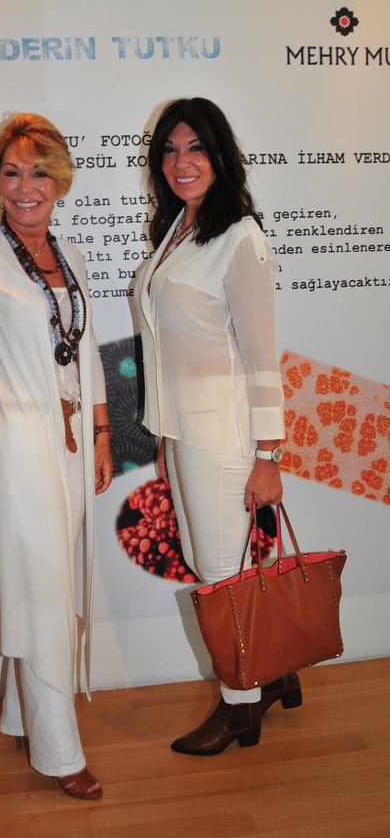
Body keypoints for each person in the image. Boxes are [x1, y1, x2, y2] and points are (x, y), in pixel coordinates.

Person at [0, 113, 113, 798]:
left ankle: (21, 714)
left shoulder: (70, 256)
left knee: (56, 582)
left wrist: (101, 433)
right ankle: (60, 751)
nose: (24, 186)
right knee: (41, 592)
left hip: (70, 445)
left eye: (38, 172)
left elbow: (87, 349)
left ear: (59, 180)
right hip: (11, 446)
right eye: (11, 172)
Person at [133, 98, 301, 755]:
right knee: (229, 569)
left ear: (220, 155)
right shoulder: (178, 228)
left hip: (225, 437)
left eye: (196, 148)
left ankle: (239, 707)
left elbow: (262, 359)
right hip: (183, 433)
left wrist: (268, 456)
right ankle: (274, 671)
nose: (182, 162)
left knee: (219, 574)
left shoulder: (240, 238)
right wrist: (164, 436)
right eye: (170, 150)